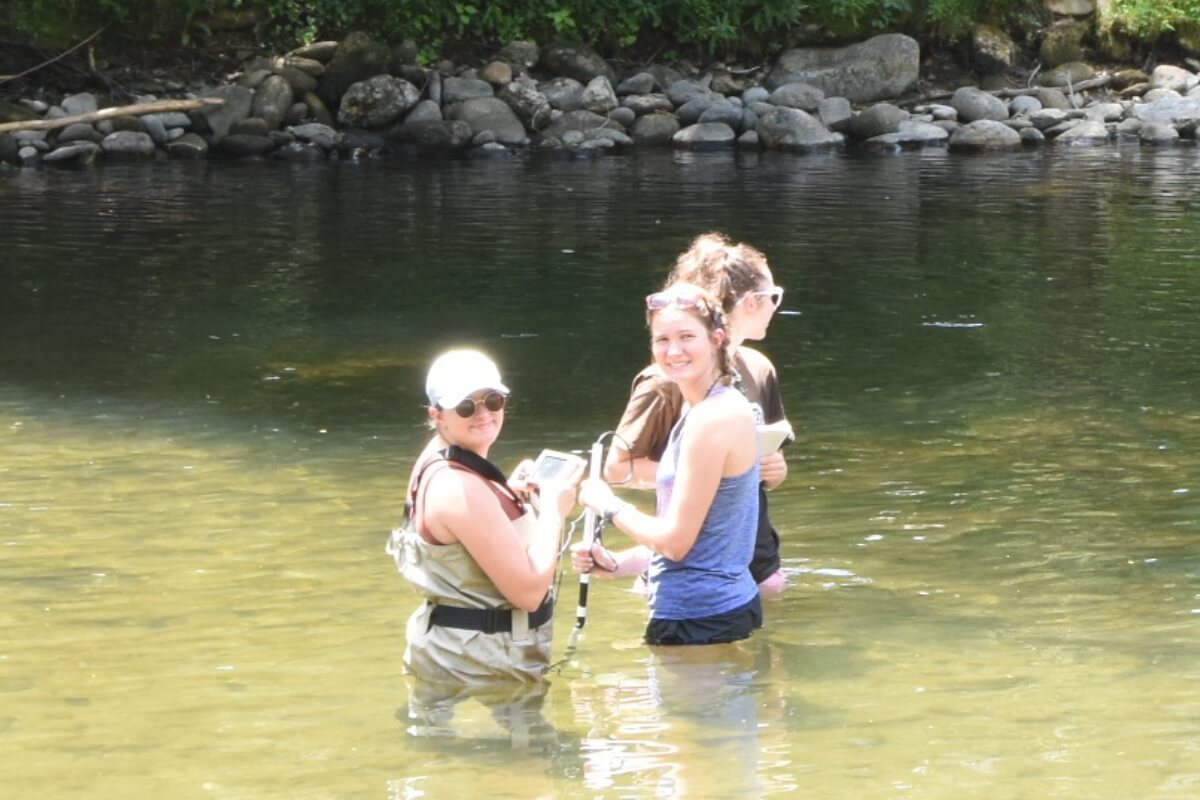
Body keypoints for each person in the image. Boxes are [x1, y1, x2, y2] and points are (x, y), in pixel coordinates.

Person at [575, 283, 762, 645]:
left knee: (688, 706)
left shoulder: (711, 418)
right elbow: (705, 539)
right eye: (662, 340)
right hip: (717, 611)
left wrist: (607, 504)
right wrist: (617, 564)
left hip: (698, 619)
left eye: (686, 337)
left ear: (717, 339)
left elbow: (676, 543)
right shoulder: (709, 407)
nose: (673, 351)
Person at [604, 233, 791, 593]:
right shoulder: (666, 380)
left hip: (755, 557)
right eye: (774, 296)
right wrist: (709, 477)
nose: (776, 306)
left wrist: (773, 469)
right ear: (751, 302)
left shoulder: (759, 369)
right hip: (686, 565)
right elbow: (616, 468)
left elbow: (769, 467)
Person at [386, 348, 581, 685]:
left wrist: (506, 490)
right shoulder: (457, 485)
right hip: (481, 669)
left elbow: (472, 527)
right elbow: (529, 593)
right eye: (465, 406)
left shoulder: (439, 459)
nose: (483, 414)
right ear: (437, 415)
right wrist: (552, 510)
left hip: (454, 656)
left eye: (492, 400)